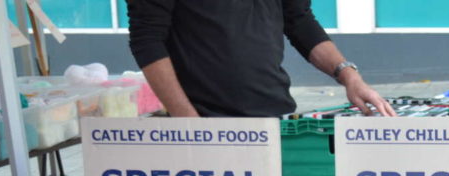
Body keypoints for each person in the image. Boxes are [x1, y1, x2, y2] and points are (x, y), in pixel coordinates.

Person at [127, 0, 394, 118]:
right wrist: (188, 121)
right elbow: (147, 39)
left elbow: (299, 20)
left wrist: (350, 77)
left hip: (272, 116)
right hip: (205, 118)